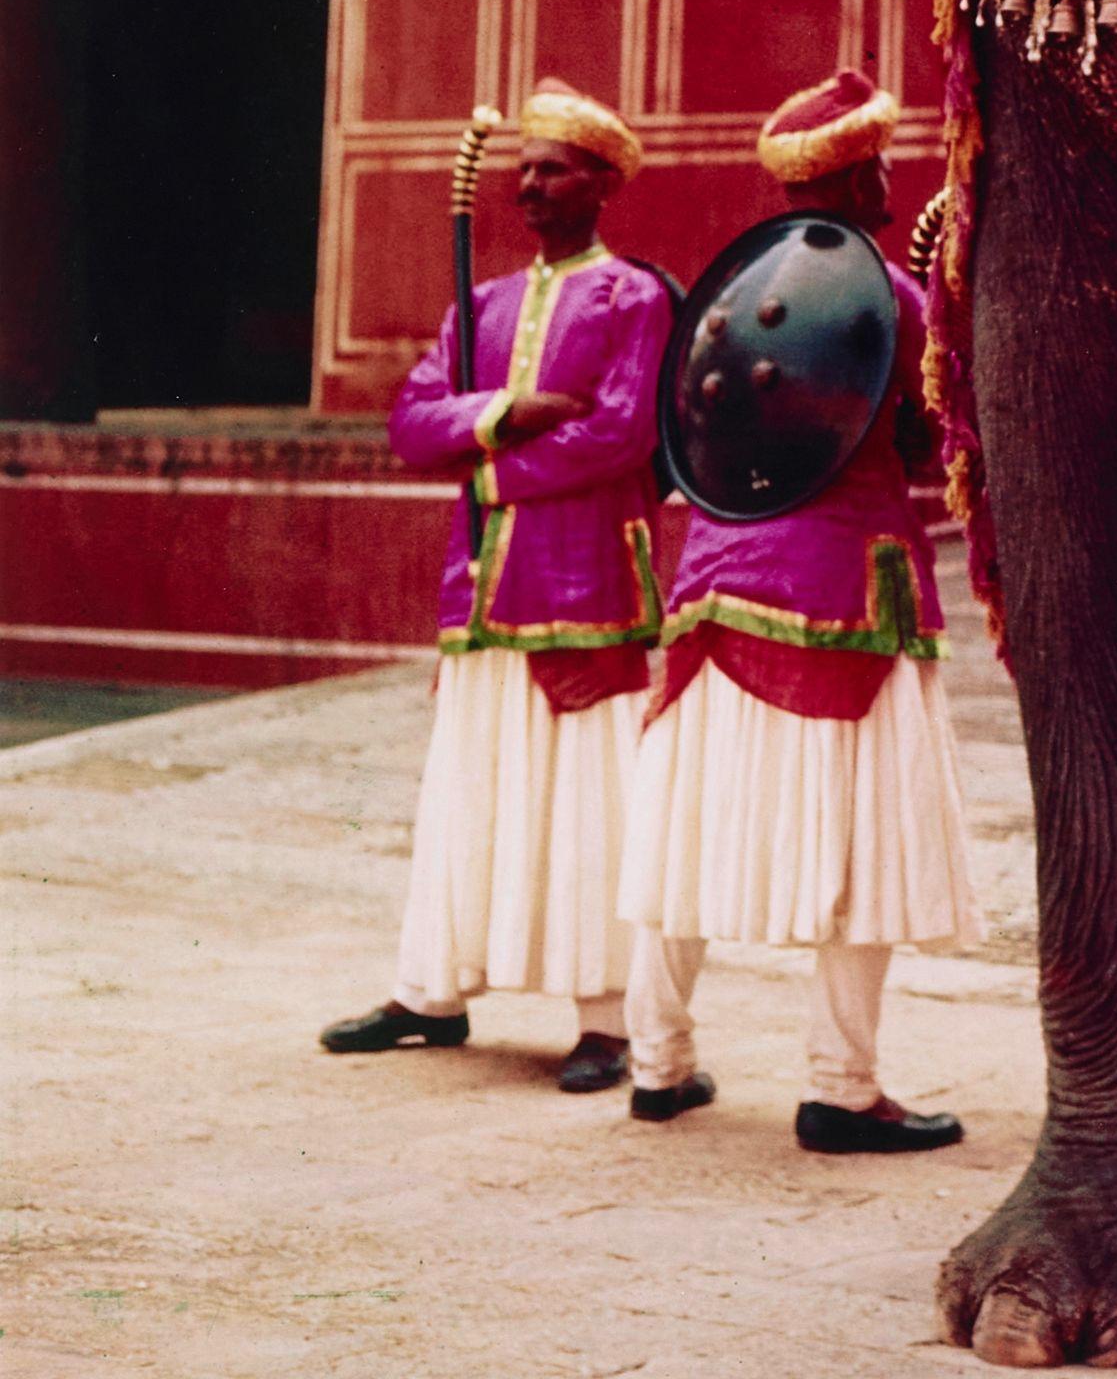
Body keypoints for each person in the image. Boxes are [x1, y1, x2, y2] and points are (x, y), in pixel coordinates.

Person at [619, 69, 980, 1154]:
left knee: (679, 837)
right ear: (860, 173)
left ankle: (657, 1062)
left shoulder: (729, 295)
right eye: (878, 163)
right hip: (841, 591)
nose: (888, 176)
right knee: (861, 846)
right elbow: (927, 440)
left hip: (710, 591)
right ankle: (841, 1085)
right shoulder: (894, 295)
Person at [321, 78, 671, 1092]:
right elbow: (409, 420)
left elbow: (621, 432)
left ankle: (605, 1016)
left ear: (600, 183)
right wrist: (510, 411)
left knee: (585, 797)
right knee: (468, 784)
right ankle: (431, 990)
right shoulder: (484, 304)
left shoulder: (632, 296)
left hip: (586, 576)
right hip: (481, 582)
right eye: (521, 168)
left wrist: (486, 465)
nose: (528, 185)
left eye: (550, 168)